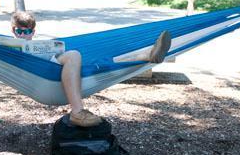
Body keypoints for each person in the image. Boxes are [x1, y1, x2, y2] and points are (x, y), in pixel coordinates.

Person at [11, 12, 172, 127]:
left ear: (33, 32)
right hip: (42, 79)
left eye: (28, 32)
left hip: (54, 69)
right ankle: (77, 111)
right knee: (73, 55)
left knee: (102, 62)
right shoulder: (4, 48)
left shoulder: (40, 45)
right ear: (13, 31)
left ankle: (147, 54)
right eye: (20, 31)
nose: (24, 35)